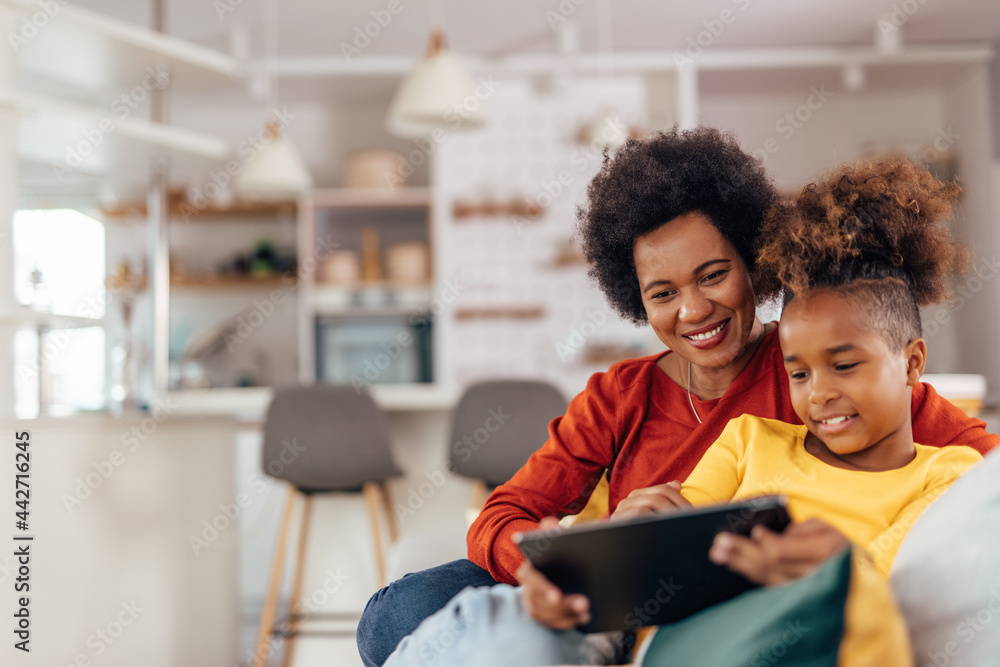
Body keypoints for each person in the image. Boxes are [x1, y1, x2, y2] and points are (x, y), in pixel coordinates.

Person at [356, 128, 997, 666]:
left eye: (713, 275)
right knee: (400, 612)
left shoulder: (818, 370)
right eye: (662, 293)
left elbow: (982, 475)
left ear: (754, 264)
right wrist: (565, 558)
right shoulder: (618, 396)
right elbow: (505, 514)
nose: (693, 309)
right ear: (638, 302)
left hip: (714, 617)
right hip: (605, 601)